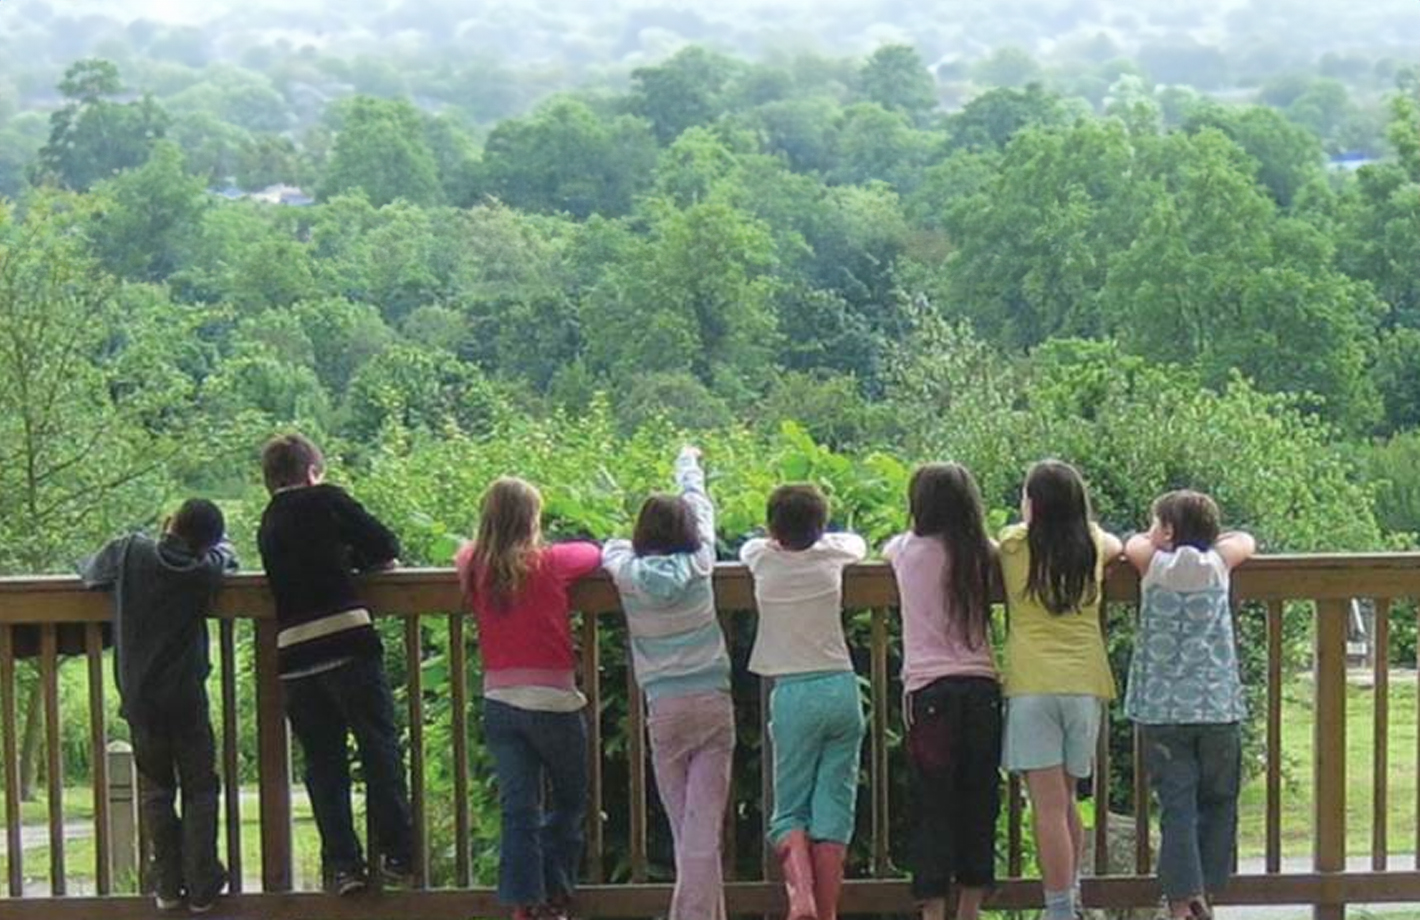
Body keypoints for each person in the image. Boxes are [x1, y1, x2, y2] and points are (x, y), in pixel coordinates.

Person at [256, 433, 414, 896]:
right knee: (378, 745)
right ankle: (396, 852)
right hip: (347, 640)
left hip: (295, 657)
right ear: (312, 471)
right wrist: (354, 560)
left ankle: (344, 865)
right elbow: (384, 545)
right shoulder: (327, 500)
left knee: (323, 763)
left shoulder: (267, 522)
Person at [455, 477, 602, 920]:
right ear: (532, 519)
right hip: (553, 702)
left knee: (518, 808)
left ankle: (524, 903)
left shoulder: (472, 564)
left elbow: (462, 552)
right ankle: (555, 892)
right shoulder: (551, 562)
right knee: (572, 799)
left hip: (500, 701)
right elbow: (593, 553)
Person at [82, 499, 237, 914]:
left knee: (156, 791)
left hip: (141, 699)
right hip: (187, 698)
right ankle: (203, 884)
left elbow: (90, 573)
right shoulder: (205, 570)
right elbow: (227, 557)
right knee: (201, 789)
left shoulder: (130, 551)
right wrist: (219, 549)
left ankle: (167, 886)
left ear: (170, 522)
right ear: (206, 543)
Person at [603, 446, 735, 920]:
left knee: (689, 830)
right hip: (713, 703)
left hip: (664, 707)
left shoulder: (628, 575)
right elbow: (701, 508)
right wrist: (689, 466)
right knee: (699, 832)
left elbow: (610, 549)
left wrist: (620, 544)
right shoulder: (701, 562)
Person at [999, 460, 1123, 920]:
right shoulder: (1091, 543)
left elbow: (1002, 538)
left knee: (1046, 806)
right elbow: (1114, 544)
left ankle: (1058, 911)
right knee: (1068, 800)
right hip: (1084, 683)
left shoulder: (1013, 547)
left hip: (1032, 685)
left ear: (1032, 502)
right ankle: (1071, 895)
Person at [1124, 491, 1256, 920]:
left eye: (1154, 523)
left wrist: (1153, 539)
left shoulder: (1154, 564)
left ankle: (1183, 900)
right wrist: (1213, 542)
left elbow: (1132, 544)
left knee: (1177, 804)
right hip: (1217, 707)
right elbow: (1245, 541)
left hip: (1164, 711)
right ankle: (1209, 890)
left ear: (1166, 531)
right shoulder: (1218, 565)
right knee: (1220, 799)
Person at [741, 484, 867, 920]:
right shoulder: (832, 556)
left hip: (793, 692)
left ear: (773, 528)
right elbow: (856, 542)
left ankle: (800, 898)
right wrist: (827, 538)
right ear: (820, 526)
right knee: (834, 807)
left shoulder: (761, 558)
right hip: (841, 686)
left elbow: (751, 546)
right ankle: (827, 912)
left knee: (790, 807)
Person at [883, 464, 1001, 920]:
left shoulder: (907, 551)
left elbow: (885, 546)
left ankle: (932, 910)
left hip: (929, 693)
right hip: (981, 688)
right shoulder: (980, 553)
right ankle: (970, 907)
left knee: (932, 803)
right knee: (980, 799)